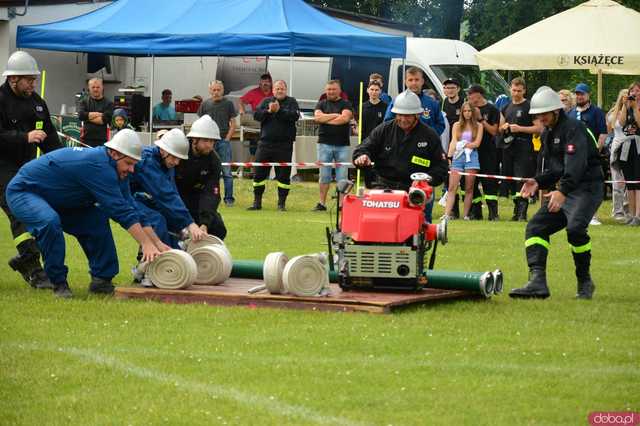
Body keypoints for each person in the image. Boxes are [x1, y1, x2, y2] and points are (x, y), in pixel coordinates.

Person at [5, 130, 165, 298]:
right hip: (24, 191)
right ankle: (58, 283)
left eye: (134, 164)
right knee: (49, 221)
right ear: (114, 153)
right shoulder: (98, 166)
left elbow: (132, 207)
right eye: (129, 163)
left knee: (96, 220)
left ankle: (101, 281)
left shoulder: (116, 167)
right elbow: (121, 211)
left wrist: (157, 243)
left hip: (59, 198)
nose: (132, 169)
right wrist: (145, 243)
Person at [510, 87, 603, 300]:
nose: (540, 118)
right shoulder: (548, 133)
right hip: (568, 188)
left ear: (556, 111)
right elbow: (556, 169)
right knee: (536, 227)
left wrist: (561, 191)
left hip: (588, 188)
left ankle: (584, 281)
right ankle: (537, 283)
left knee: (575, 229)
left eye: (544, 113)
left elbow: (576, 166)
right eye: (538, 114)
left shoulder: (574, 128)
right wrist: (537, 180)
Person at [0, 51, 62, 290]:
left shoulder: (37, 103)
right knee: (19, 213)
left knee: (38, 212)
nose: (33, 84)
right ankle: (34, 269)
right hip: (2, 168)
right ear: (13, 79)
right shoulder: (1, 100)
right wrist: (24, 137)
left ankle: (25, 259)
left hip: (26, 169)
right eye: (28, 79)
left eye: (34, 79)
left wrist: (60, 162)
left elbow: (50, 139)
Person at [353, 90, 448, 223]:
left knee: (416, 227)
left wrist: (428, 179)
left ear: (417, 115)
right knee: (375, 223)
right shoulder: (384, 130)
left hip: (415, 190)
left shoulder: (430, 135)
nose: (403, 119)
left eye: (408, 116)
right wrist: (362, 156)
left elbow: (441, 166)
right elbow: (364, 147)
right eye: (400, 115)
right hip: (383, 187)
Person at [129, 128, 207, 248]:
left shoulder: (166, 163)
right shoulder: (148, 161)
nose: (176, 162)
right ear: (163, 150)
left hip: (137, 197)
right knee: (156, 220)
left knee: (171, 219)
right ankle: (152, 262)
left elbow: (173, 192)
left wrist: (184, 224)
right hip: (124, 197)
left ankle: (176, 256)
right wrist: (190, 224)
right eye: (174, 157)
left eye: (179, 159)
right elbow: (165, 195)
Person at [248, 80, 300, 211]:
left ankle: (281, 204)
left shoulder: (292, 102)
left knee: (283, 176)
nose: (279, 91)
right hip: (265, 144)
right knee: (259, 174)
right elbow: (256, 115)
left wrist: (279, 110)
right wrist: (269, 111)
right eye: (277, 88)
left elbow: (294, 116)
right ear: (273, 90)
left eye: (282, 88)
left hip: (284, 145)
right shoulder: (266, 101)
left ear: (286, 90)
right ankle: (257, 203)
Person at [499, 77, 543, 221]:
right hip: (508, 146)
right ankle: (515, 211)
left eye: (519, 90)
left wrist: (520, 129)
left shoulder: (529, 107)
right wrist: (504, 128)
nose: (516, 93)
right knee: (511, 178)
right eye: (514, 90)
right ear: (510, 89)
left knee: (522, 178)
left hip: (524, 146)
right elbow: (500, 126)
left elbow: (539, 128)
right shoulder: (505, 107)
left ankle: (522, 213)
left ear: (524, 90)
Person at [177, 115, 227, 239]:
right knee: (169, 228)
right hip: (174, 198)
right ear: (194, 139)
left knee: (218, 229)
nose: (209, 145)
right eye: (205, 141)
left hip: (196, 199)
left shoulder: (214, 161)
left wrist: (205, 223)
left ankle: (203, 255)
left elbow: (211, 193)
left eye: (212, 141)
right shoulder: (178, 152)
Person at [568, 83, 608, 225]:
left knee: (591, 186)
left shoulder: (597, 112)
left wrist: (596, 151)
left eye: (582, 94)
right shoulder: (571, 113)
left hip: (590, 157)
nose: (579, 96)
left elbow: (603, 133)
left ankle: (593, 216)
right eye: (577, 94)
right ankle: (573, 213)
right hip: (574, 157)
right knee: (574, 185)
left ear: (588, 95)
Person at [313, 80, 354, 211]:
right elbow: (318, 118)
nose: (331, 91)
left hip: (342, 145)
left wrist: (326, 119)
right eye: (329, 89)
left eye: (334, 89)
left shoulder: (346, 103)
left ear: (339, 90)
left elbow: (345, 119)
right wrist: (335, 115)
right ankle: (322, 203)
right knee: (324, 176)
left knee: (342, 177)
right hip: (324, 144)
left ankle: (342, 205)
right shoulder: (321, 103)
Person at [197, 80, 237, 206]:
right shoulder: (205, 105)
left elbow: (233, 123)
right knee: (208, 172)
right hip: (209, 143)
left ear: (223, 90)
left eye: (218, 90)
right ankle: (209, 197)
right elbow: (200, 124)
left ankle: (229, 199)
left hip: (223, 142)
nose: (216, 92)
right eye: (213, 90)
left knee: (226, 172)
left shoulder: (229, 104)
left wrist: (227, 139)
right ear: (210, 91)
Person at [466, 85, 501, 220]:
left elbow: (494, 131)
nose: (469, 97)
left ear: (479, 95)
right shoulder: (468, 108)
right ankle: (476, 212)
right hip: (472, 151)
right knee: (471, 182)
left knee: (489, 181)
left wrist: (481, 119)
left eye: (471, 95)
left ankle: (493, 213)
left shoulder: (492, 110)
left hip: (488, 151)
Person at [444, 102, 483, 220]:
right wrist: (449, 157)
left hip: (472, 157)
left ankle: (465, 215)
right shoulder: (456, 125)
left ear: (473, 112)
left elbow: (477, 143)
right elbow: (454, 141)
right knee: (452, 187)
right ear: (462, 112)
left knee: (469, 188)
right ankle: (447, 214)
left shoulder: (478, 126)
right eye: (465, 111)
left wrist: (465, 144)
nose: (467, 113)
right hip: (458, 156)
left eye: (469, 111)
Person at [384, 67, 445, 136]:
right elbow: (387, 123)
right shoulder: (396, 102)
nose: (414, 83)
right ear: (405, 82)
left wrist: (428, 136)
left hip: (426, 144)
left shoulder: (432, 103)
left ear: (422, 81)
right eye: (410, 80)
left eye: (417, 80)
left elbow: (440, 125)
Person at [617, 81, 640, 226]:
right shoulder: (627, 107)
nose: (635, 93)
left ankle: (638, 215)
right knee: (630, 183)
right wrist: (626, 106)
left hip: (639, 145)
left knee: (638, 181)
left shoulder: (637, 108)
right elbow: (621, 122)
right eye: (632, 91)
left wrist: (636, 107)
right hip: (627, 146)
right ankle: (631, 214)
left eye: (638, 91)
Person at [442, 77, 465, 217]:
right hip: (447, 146)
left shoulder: (464, 104)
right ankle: (453, 211)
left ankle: (474, 212)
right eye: (447, 88)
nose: (449, 90)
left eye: (452, 87)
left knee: (466, 181)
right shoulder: (443, 103)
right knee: (449, 180)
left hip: (462, 146)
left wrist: (464, 145)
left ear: (458, 89)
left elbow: (469, 124)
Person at [607, 89, 630, 222]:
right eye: (624, 97)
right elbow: (610, 129)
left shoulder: (633, 112)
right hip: (617, 146)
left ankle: (627, 208)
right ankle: (617, 210)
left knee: (629, 180)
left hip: (630, 146)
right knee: (617, 180)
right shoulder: (612, 114)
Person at [77, 77, 113, 147]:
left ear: (102, 88)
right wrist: (99, 114)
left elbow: (104, 120)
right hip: (85, 140)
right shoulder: (84, 101)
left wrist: (87, 117)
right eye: (93, 87)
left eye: (98, 87)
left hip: (102, 141)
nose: (95, 89)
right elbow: (81, 115)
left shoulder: (109, 103)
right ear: (89, 88)